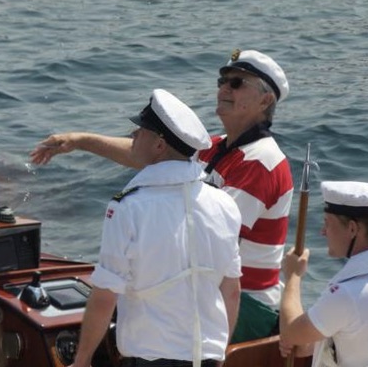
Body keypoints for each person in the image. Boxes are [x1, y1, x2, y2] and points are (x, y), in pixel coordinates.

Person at [30, 49, 293, 343]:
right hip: (210, 285)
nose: (223, 88)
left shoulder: (261, 162)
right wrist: (79, 141)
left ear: (265, 100)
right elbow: (148, 153)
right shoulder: (218, 146)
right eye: (222, 80)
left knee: (116, 311)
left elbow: (213, 234)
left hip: (247, 303)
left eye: (236, 83)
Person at [70, 89, 242, 367]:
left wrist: (82, 360)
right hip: (208, 358)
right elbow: (231, 290)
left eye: (140, 131)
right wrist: (220, 356)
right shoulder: (225, 204)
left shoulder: (129, 207)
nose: (133, 136)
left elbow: (105, 295)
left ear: (159, 145)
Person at [279, 181, 368, 367]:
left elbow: (291, 332)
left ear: (352, 229)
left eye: (328, 223)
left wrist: (293, 276)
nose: (323, 231)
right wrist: (311, 342)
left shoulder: (347, 293)